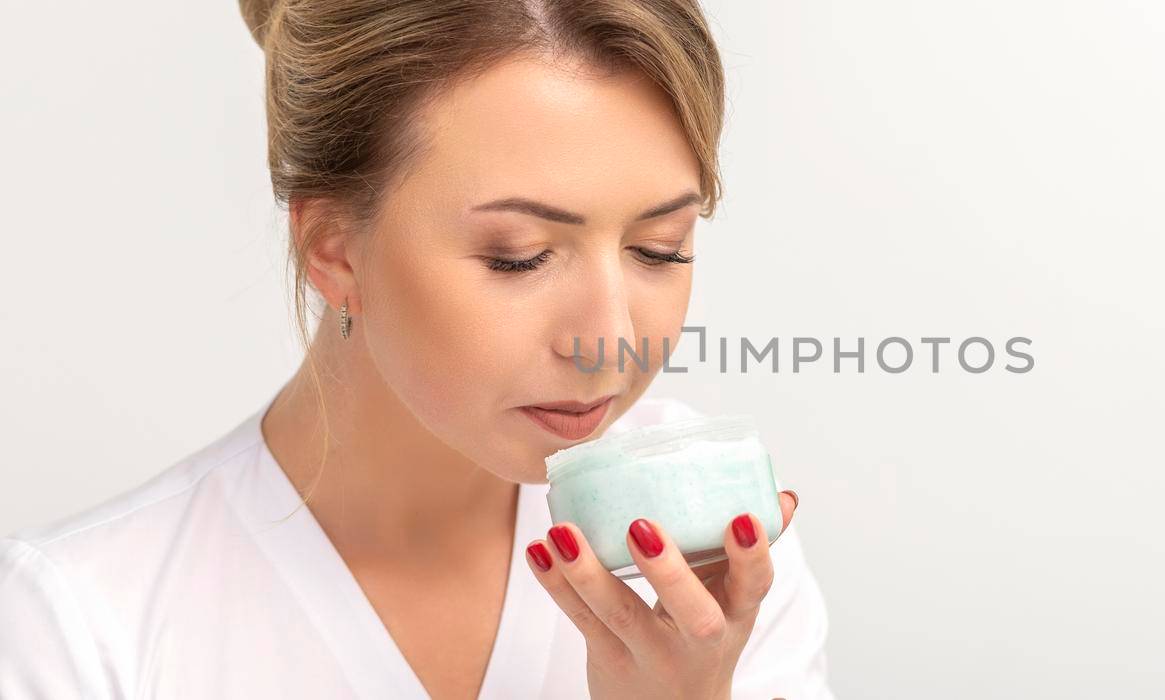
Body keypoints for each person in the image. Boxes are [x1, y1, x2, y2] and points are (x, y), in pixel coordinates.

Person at [0, 1, 835, 697]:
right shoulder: (81, 628)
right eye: (519, 255)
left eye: (661, 247)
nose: (608, 344)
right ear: (332, 248)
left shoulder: (713, 568)